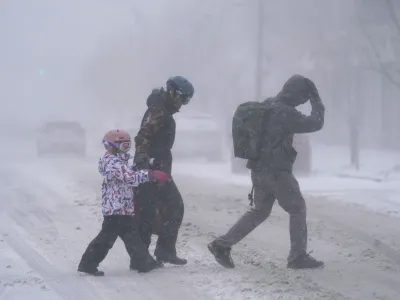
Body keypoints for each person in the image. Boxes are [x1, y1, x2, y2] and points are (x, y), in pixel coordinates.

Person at [208, 74, 326, 270]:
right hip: (277, 172)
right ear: (298, 95)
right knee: (297, 208)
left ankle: (221, 245)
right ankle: (297, 256)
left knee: (259, 212)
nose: (303, 102)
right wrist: (317, 100)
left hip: (259, 170)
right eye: (303, 97)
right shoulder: (286, 113)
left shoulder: (268, 105)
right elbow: (316, 123)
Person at [77, 129, 169, 276]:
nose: (126, 149)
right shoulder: (110, 162)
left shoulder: (120, 159)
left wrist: (148, 163)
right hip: (115, 208)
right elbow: (129, 177)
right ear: (111, 146)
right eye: (123, 146)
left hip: (124, 207)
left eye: (128, 146)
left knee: (130, 237)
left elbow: (131, 164)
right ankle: (88, 263)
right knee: (107, 238)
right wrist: (151, 175)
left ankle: (143, 262)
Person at [133, 76, 194, 266]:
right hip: (152, 168)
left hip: (158, 167)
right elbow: (143, 136)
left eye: (187, 101)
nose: (183, 104)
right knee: (160, 209)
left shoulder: (162, 109)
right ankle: (144, 257)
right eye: (183, 99)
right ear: (172, 93)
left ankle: (158, 252)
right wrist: (144, 162)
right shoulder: (158, 111)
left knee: (157, 210)